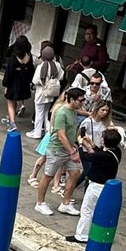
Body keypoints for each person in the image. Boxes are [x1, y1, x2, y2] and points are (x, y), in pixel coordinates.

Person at [33, 87, 85, 215]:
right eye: (80, 100)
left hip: (68, 149)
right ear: (71, 99)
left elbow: (71, 132)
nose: (82, 102)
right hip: (57, 150)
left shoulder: (73, 111)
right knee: (48, 176)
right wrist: (72, 152)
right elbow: (61, 136)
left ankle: (65, 203)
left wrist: (73, 146)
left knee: (75, 173)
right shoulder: (62, 113)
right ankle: (40, 203)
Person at [66, 129, 123, 244]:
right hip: (105, 187)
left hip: (96, 186)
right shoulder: (116, 152)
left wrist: (81, 144)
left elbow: (86, 156)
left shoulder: (104, 155)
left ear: (104, 141)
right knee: (94, 210)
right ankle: (90, 232)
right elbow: (99, 153)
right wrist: (91, 144)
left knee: (86, 210)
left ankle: (81, 235)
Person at [28, 43, 63, 139]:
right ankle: (48, 131)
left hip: (41, 92)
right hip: (51, 93)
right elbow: (61, 76)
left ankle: (37, 133)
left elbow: (35, 80)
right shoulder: (57, 65)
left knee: (39, 113)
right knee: (46, 112)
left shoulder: (41, 66)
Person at [1, 35, 34, 132]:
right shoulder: (29, 56)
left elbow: (9, 73)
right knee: (15, 101)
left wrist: (6, 85)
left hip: (13, 83)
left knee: (10, 102)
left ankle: (12, 123)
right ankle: (9, 118)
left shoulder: (14, 57)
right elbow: (31, 71)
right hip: (23, 83)